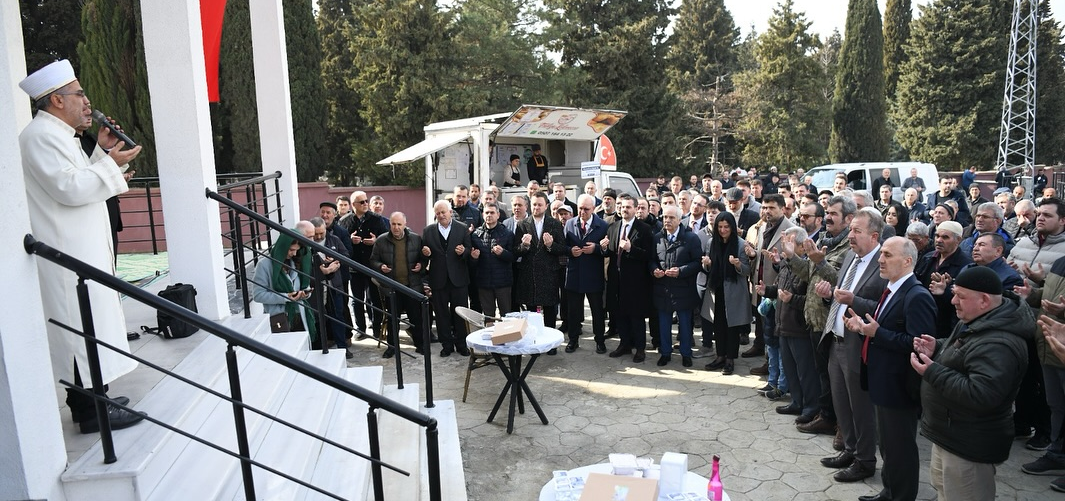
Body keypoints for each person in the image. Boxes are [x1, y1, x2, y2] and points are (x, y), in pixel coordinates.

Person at [19, 59, 145, 433]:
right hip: (66, 255)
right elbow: (69, 189)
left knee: (90, 326)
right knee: (79, 331)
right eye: (79, 94)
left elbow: (77, 177)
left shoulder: (59, 136)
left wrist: (100, 155)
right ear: (57, 101)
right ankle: (91, 411)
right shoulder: (39, 136)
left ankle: (96, 398)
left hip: (79, 249)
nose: (87, 102)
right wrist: (108, 163)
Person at [911, 267, 1032, 501]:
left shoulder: (1000, 343)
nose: (953, 300)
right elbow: (965, 350)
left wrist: (933, 371)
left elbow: (981, 394)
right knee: (944, 490)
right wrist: (938, 346)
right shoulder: (978, 319)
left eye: (961, 296)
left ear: (985, 300)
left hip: (969, 444)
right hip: (951, 434)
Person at [844, 237, 936, 501]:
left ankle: (902, 495)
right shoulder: (893, 289)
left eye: (887, 255)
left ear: (907, 261)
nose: (880, 260)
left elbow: (919, 344)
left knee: (901, 447)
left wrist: (877, 333)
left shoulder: (917, 295)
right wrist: (863, 329)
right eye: (881, 254)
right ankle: (889, 491)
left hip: (899, 385)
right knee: (888, 445)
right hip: (882, 380)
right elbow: (883, 326)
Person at [813, 210, 888, 483]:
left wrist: (854, 299)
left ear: (874, 235)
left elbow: (884, 309)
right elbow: (838, 299)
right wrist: (826, 297)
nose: (851, 235)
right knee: (842, 403)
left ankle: (865, 460)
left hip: (859, 347)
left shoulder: (883, 264)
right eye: (851, 230)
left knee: (861, 408)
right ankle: (850, 449)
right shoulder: (849, 258)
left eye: (857, 231)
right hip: (836, 339)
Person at [763, 226, 817, 420]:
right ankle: (796, 402)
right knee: (791, 369)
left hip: (799, 327)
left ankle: (811, 408)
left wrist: (791, 299)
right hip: (783, 325)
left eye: (790, 243)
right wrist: (767, 290)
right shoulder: (786, 264)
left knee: (805, 372)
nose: (786, 246)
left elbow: (811, 300)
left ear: (802, 246)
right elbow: (779, 288)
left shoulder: (809, 266)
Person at [601, 194, 654, 363]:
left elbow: (649, 255)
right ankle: (624, 344)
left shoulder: (644, 229)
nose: (625, 210)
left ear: (636, 209)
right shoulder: (613, 227)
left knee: (636, 316)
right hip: (616, 280)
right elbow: (610, 252)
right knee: (620, 313)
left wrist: (632, 249)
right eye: (622, 206)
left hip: (636, 281)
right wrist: (603, 248)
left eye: (628, 207)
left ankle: (640, 348)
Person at [651, 205, 705, 367]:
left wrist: (681, 271)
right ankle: (665, 353)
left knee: (685, 324)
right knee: (664, 323)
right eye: (665, 217)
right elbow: (651, 260)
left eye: (671, 218)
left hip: (684, 289)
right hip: (663, 288)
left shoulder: (691, 238)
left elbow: (697, 263)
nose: (667, 220)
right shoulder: (657, 238)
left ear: (680, 220)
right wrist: (654, 270)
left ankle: (686, 353)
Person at [369, 212, 428, 357]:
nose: (396, 227)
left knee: (416, 318)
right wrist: (380, 266)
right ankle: (392, 347)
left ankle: (420, 345)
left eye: (399, 224)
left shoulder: (415, 239)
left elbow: (423, 259)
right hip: (391, 287)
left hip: (411, 286)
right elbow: (373, 260)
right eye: (393, 224)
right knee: (392, 319)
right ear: (390, 224)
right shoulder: (381, 240)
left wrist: (421, 264)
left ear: (405, 225)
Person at [422, 200, 473, 357]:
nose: (441, 215)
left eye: (443, 212)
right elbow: (423, 254)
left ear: (450, 212)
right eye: (438, 213)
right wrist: (426, 254)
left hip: (458, 279)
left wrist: (463, 251)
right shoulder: (428, 231)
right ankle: (447, 345)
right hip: (438, 279)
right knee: (441, 314)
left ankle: (461, 344)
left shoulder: (462, 228)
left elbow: (469, 250)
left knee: (460, 313)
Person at [338, 191, 389, 340]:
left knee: (375, 298)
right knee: (357, 299)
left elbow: (386, 238)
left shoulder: (376, 219)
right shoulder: (344, 221)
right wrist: (350, 239)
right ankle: (360, 328)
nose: (366, 204)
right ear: (353, 205)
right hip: (354, 266)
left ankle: (377, 328)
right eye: (362, 202)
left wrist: (375, 241)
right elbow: (340, 240)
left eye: (366, 201)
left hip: (372, 265)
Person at [514, 192, 567, 334]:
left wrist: (551, 245)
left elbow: (563, 248)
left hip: (548, 273)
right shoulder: (522, 225)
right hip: (529, 273)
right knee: (531, 310)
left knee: (550, 309)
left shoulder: (554, 224)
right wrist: (523, 246)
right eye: (534, 204)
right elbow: (515, 250)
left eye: (539, 204)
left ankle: (550, 340)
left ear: (546, 206)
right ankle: (534, 338)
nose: (536, 207)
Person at [563, 194, 609, 353]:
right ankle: (573, 340)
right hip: (574, 274)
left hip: (593, 275)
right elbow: (563, 246)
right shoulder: (569, 223)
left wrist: (596, 249)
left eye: (586, 209)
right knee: (574, 311)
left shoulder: (602, 226)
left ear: (594, 209)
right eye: (580, 208)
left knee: (597, 310)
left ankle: (600, 340)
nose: (582, 212)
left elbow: (609, 250)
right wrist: (570, 251)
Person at [252, 231, 317, 342]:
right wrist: (285, 297)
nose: (294, 254)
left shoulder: (294, 262)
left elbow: (299, 286)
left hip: (299, 314)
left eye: (296, 250)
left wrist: (304, 293)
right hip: (279, 317)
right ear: (283, 246)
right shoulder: (264, 265)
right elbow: (258, 295)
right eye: (291, 250)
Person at [917, 221, 972, 338]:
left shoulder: (966, 264)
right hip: (922, 315)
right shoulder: (928, 257)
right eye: (937, 236)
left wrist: (946, 291)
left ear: (958, 240)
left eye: (945, 237)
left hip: (944, 324)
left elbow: (966, 299)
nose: (939, 240)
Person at [308, 217, 350, 358]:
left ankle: (342, 347)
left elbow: (346, 256)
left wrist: (335, 261)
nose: (319, 236)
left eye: (321, 233)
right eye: (316, 234)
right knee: (317, 317)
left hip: (334, 285)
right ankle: (319, 346)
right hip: (316, 288)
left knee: (338, 316)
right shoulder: (307, 243)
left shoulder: (334, 240)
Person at [470, 202, 516, 317]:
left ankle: (505, 335)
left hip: (503, 282)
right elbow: (470, 262)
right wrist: (474, 258)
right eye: (486, 213)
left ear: (498, 215)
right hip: (484, 282)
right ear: (482, 214)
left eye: (492, 212)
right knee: (488, 316)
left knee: (506, 315)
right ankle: (489, 335)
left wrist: (503, 253)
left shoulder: (507, 233)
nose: (489, 215)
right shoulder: (475, 234)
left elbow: (514, 257)